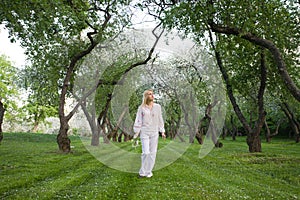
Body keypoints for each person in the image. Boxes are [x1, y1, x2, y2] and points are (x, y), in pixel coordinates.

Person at [133, 89, 166, 178]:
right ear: (146, 96)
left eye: (152, 94)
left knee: (152, 153)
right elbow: (138, 120)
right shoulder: (141, 108)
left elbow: (160, 119)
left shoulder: (157, 107)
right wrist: (136, 133)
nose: (152, 95)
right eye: (149, 94)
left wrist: (162, 131)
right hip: (145, 132)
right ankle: (142, 172)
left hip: (154, 132)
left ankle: (148, 171)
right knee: (146, 152)